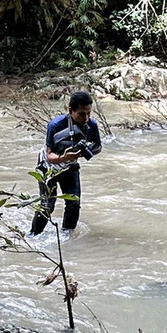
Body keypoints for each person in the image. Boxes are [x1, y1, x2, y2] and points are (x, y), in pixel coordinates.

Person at [30, 90, 103, 236]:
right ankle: (33, 236)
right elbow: (49, 155)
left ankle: (66, 237)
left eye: (89, 113)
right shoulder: (55, 125)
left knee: (74, 204)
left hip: (70, 165)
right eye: (82, 114)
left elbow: (98, 147)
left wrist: (85, 152)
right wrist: (64, 157)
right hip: (48, 166)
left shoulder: (91, 125)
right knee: (47, 205)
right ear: (70, 110)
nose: (86, 118)